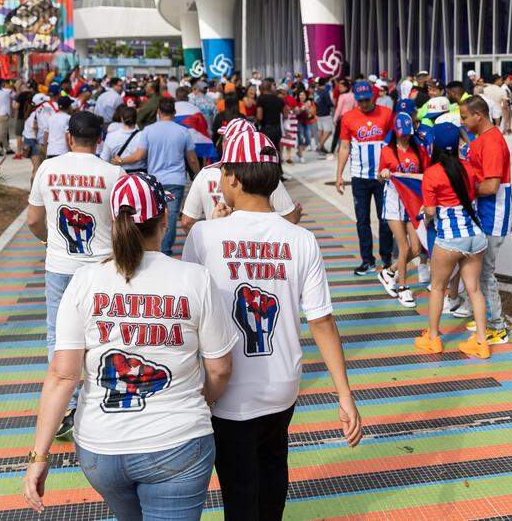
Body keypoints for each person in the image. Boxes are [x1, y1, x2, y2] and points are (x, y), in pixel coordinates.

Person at [23, 171, 235, 519]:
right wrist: (200, 404)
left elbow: (62, 377)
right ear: (163, 220)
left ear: (113, 220)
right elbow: (220, 368)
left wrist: (38, 457)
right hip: (177, 443)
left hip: (101, 450)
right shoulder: (194, 279)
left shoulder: (84, 281)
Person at [181, 130, 362, 519]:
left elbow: (189, 313)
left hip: (226, 389)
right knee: (273, 469)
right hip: (282, 385)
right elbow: (323, 321)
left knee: (238, 487)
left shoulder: (203, 235)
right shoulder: (301, 239)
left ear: (231, 178)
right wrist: (344, 394)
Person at [26, 111, 126, 440]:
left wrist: (48, 240)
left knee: (59, 336)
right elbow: (123, 226)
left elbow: (33, 220)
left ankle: (67, 407)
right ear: (99, 139)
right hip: (101, 269)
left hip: (59, 267)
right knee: (105, 335)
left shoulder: (48, 169)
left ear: (69, 137)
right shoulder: (114, 173)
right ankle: (102, 400)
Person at [414, 123, 492, 359]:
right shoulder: (468, 169)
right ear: (458, 142)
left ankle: (433, 338)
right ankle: (481, 342)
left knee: (438, 288)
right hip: (476, 237)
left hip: (449, 238)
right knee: (475, 290)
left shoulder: (432, 173)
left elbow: (429, 211)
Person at [180, 119, 301, 233]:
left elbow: (186, 222)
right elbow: (290, 218)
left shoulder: (205, 173)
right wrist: (296, 213)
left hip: (219, 245)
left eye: (226, 138)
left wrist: (203, 243)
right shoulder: (265, 174)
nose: (223, 142)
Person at [460, 96, 511, 341]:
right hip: (484, 213)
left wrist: (463, 189)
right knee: (478, 269)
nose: (463, 121)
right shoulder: (482, 140)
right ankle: (485, 318)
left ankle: (497, 326)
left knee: (485, 272)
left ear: (478, 116)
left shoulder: (491, 143)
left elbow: (491, 186)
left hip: (493, 215)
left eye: (464, 117)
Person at [335, 79, 394, 276]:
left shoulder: (386, 113)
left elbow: (393, 143)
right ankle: (367, 260)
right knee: (362, 220)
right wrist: (339, 175)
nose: (364, 104)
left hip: (381, 177)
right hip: (359, 177)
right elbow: (344, 147)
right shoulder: (348, 117)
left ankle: (387, 260)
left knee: (385, 219)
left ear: (373, 97)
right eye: (360, 101)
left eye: (367, 100)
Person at [376, 113, 428, 307]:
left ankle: (388, 271)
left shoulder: (419, 150)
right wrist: (383, 174)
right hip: (393, 204)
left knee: (416, 248)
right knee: (404, 247)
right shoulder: (387, 151)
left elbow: (426, 173)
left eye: (408, 133)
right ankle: (403, 288)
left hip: (412, 203)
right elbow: (380, 177)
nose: (405, 136)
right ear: (395, 132)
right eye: (401, 133)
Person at [135, 98, 199, 254]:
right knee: (170, 217)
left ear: (158, 112)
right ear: (174, 113)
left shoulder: (148, 131)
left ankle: (152, 248)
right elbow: (191, 158)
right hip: (176, 180)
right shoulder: (183, 131)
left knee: (153, 215)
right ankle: (166, 250)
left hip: (154, 180)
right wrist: (198, 175)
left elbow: (140, 155)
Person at [101, 105, 147, 173]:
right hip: (140, 175)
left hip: (119, 174)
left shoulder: (111, 136)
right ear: (136, 119)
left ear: (122, 119)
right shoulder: (144, 135)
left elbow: (104, 160)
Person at [254, 79, 284, 150]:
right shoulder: (279, 99)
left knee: (266, 151)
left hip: (266, 128)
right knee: (276, 149)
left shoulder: (260, 99)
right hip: (277, 128)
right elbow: (285, 114)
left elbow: (259, 117)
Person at [42, 95, 73, 159]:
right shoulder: (68, 118)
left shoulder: (51, 117)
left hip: (51, 151)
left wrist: (45, 151)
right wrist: (71, 152)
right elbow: (67, 137)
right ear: (69, 106)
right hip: (63, 152)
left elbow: (45, 135)